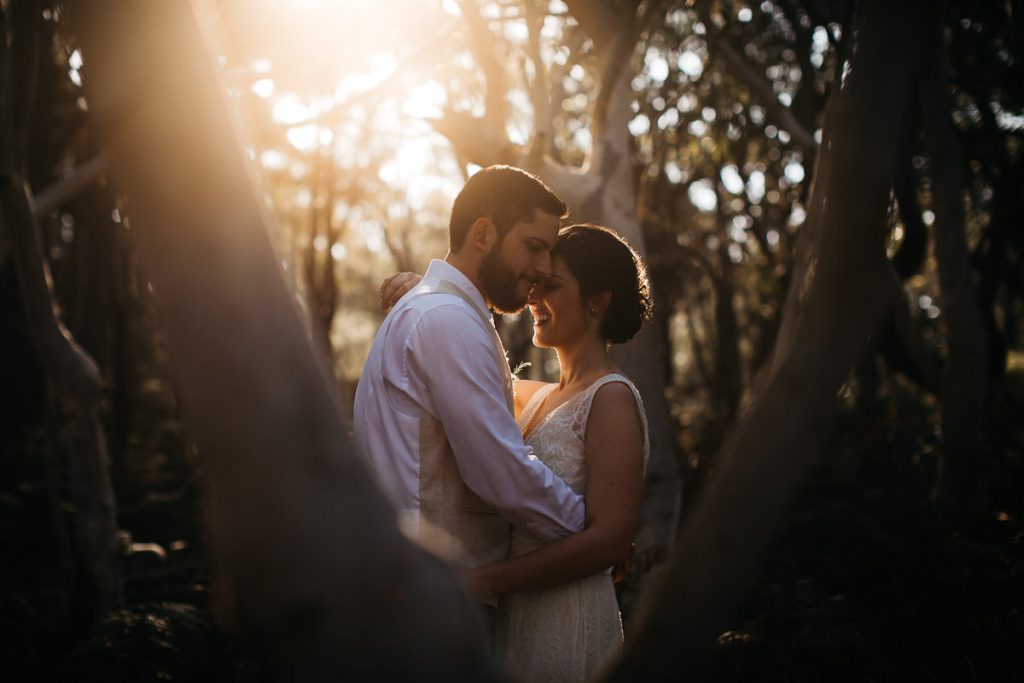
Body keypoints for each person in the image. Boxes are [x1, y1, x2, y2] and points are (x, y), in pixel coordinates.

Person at [381, 223, 652, 682]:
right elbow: (464, 372)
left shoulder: (612, 398)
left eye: (550, 285)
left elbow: (608, 540)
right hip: (514, 618)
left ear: (597, 300)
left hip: (567, 618)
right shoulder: (540, 396)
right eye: (535, 281)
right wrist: (424, 293)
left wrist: (483, 581)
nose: (532, 296)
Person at [352, 166, 586, 632]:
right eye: (534, 247)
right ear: (483, 233)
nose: (542, 269)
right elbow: (499, 472)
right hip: (429, 601)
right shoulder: (447, 319)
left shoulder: (436, 309)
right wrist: (591, 530)